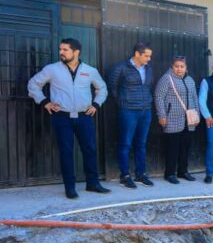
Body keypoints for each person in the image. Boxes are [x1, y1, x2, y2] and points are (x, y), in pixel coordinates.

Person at [27, 38, 110, 199]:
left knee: (90, 150)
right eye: (60, 49)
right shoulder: (52, 69)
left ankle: (93, 183)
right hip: (62, 118)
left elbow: (102, 88)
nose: (61, 52)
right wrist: (44, 102)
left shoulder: (90, 70)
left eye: (65, 50)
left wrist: (96, 104)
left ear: (76, 52)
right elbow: (33, 84)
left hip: (84, 117)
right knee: (66, 152)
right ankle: (70, 187)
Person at [108, 42, 154, 189]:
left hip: (145, 110)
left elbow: (148, 87)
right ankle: (125, 176)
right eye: (146, 56)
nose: (149, 59)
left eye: (150, 56)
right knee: (126, 143)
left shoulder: (148, 68)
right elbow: (112, 88)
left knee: (141, 143)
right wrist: (124, 102)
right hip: (128, 111)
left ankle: (141, 174)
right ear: (137, 54)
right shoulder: (121, 68)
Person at [154, 56, 199, 184]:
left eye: (182, 66)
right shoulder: (166, 78)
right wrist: (162, 115)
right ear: (172, 67)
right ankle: (170, 173)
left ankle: (183, 171)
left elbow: (195, 98)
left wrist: (197, 115)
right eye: (176, 66)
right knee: (172, 148)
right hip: (172, 118)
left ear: (186, 68)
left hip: (188, 120)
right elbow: (158, 97)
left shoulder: (190, 80)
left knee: (185, 147)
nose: (179, 69)